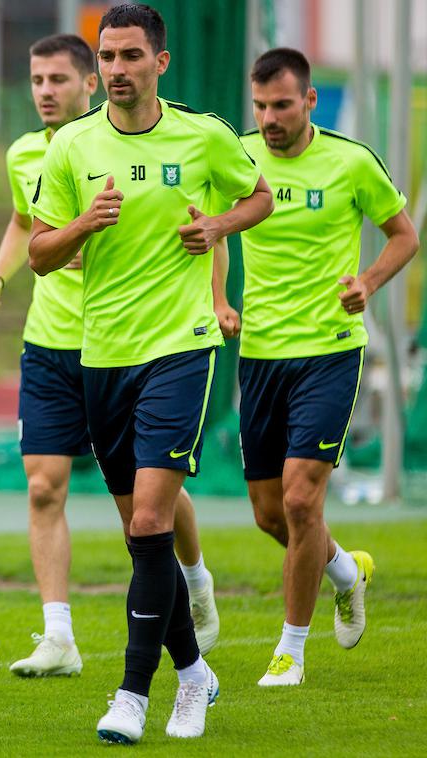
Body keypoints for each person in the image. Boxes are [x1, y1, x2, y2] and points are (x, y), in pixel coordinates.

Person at [29, 4, 274, 743]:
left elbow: (257, 195)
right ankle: (195, 670)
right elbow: (42, 252)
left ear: (160, 62)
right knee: (143, 540)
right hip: (100, 353)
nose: (117, 68)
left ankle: (134, 696)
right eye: (108, 56)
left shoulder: (203, 135)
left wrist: (217, 228)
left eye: (132, 55)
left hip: (182, 346)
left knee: (150, 521)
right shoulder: (72, 146)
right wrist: (83, 225)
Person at [0, 33, 226, 679]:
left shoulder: (155, 144)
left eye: (57, 80)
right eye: (36, 80)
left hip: (130, 342)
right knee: (42, 486)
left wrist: (218, 297)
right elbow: (22, 225)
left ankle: (193, 576)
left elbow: (204, 222)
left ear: (88, 84)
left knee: (151, 503)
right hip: (50, 343)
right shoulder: (29, 153)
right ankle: (59, 633)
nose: (44, 91)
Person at [240, 48, 419, 686]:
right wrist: (216, 303)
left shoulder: (350, 160)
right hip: (259, 353)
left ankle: (290, 650)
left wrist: (367, 282)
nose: (269, 119)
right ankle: (345, 571)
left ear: (310, 101)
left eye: (282, 105)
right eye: (260, 106)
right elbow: (210, 230)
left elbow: (404, 234)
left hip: (330, 350)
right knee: (267, 512)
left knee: (299, 498)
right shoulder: (238, 158)